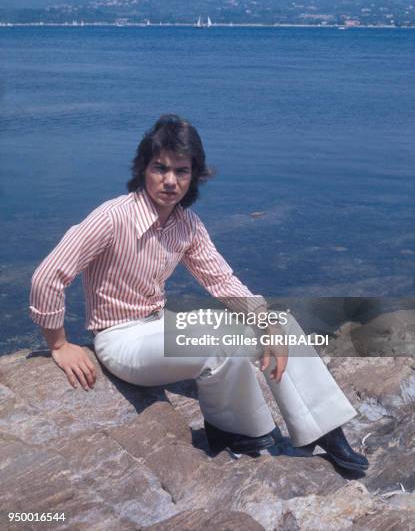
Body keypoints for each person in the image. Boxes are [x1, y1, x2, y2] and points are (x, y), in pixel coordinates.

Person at [30, 114, 368, 471]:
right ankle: (243, 433)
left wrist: (266, 324)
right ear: (143, 168)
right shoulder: (113, 217)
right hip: (120, 339)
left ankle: (323, 429)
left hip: (161, 323)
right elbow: (48, 276)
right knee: (215, 346)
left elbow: (221, 280)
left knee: (278, 322)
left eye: (182, 171)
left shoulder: (186, 224)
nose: (170, 181)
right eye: (160, 168)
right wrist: (59, 345)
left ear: (194, 177)